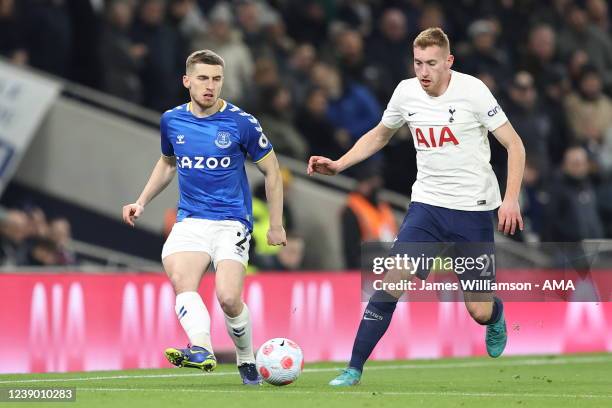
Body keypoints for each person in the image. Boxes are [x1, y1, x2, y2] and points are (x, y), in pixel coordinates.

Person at [307, 28, 525, 386]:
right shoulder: (406, 92)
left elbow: (514, 145)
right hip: (427, 206)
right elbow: (381, 132)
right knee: (393, 279)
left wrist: (511, 198)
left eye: (432, 64)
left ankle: (495, 313)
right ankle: (353, 368)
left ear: (449, 62)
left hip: (473, 210)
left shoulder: (473, 91)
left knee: (479, 310)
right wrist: (340, 163)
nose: (423, 72)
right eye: (418, 63)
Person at [122, 49, 286, 385]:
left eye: (216, 79)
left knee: (228, 298)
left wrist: (277, 224)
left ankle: (245, 358)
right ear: (187, 81)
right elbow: (168, 163)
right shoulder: (172, 120)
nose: (210, 86)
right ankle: (202, 348)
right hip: (192, 219)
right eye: (202, 78)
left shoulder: (242, 123)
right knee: (182, 278)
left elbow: (272, 171)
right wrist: (141, 201)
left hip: (231, 222)